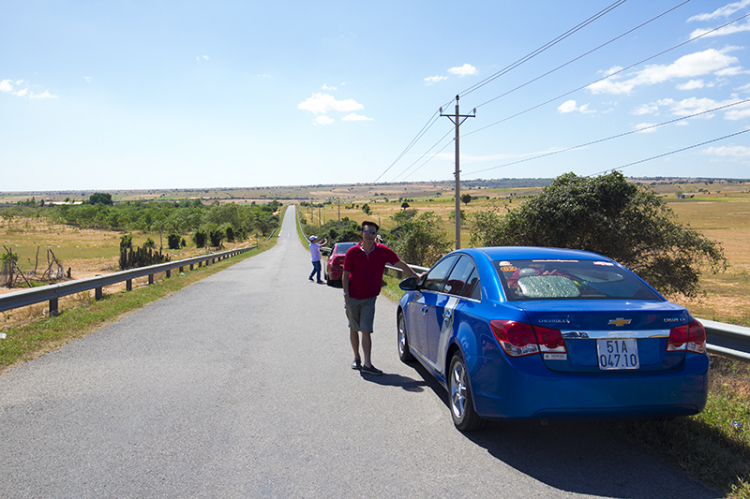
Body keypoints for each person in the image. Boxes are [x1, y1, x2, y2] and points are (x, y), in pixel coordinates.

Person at [342, 221, 421, 376]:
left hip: (370, 298)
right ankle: (356, 358)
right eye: (368, 232)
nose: (370, 235)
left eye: (373, 233)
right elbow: (345, 274)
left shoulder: (383, 251)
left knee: (366, 330)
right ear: (361, 233)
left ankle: (367, 363)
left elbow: (399, 264)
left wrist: (416, 276)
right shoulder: (352, 252)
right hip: (353, 296)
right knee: (353, 328)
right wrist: (346, 295)